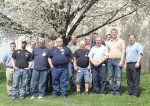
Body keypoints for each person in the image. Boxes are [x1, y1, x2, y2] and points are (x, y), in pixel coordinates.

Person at [107, 28, 125, 96]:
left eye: (115, 32)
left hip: (118, 60)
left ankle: (117, 91)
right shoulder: (108, 42)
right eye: (112, 32)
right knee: (111, 76)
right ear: (111, 34)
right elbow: (107, 51)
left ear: (117, 33)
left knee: (118, 77)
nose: (114, 33)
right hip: (110, 61)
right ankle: (112, 90)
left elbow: (123, 51)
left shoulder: (121, 41)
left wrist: (122, 60)